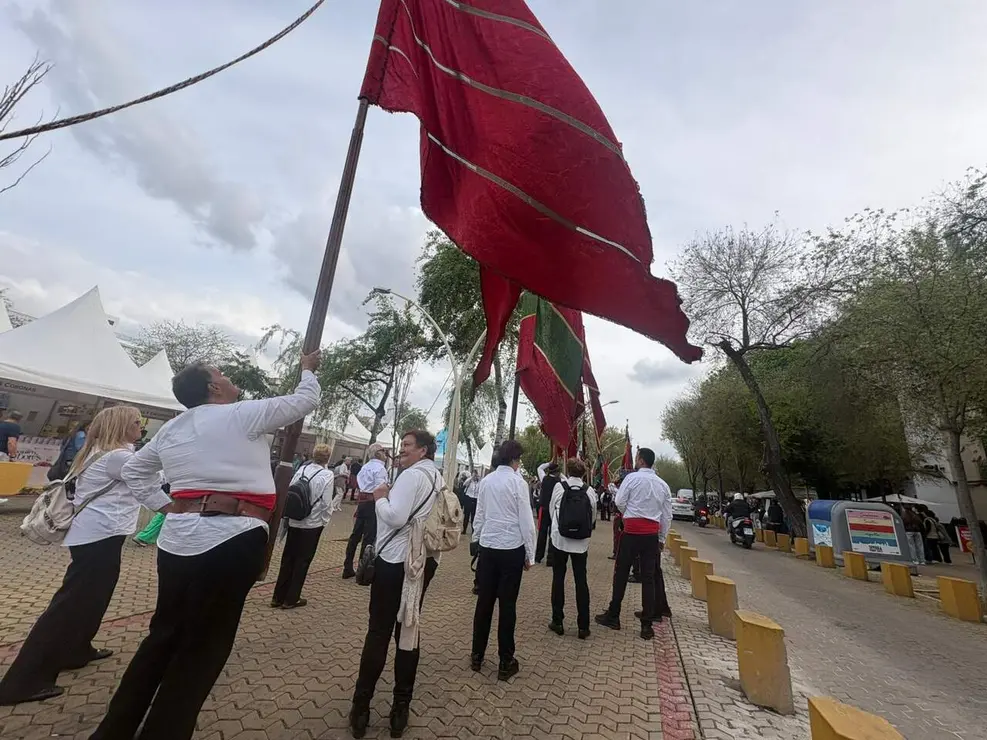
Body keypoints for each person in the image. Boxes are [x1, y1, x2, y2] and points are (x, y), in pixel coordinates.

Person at [88, 351, 320, 740]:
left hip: (178, 539)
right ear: (213, 387)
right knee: (204, 646)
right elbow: (305, 401)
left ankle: (114, 729)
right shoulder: (242, 413)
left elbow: (134, 471)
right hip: (232, 538)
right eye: (223, 374)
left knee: (163, 635)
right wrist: (308, 372)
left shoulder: (171, 429)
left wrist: (170, 505)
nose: (229, 378)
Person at [0, 406, 164, 706]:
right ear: (120, 426)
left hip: (97, 535)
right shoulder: (118, 457)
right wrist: (174, 508)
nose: (141, 427)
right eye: (136, 423)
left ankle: (77, 649)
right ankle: (20, 683)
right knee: (69, 606)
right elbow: (150, 481)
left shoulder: (101, 451)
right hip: (99, 536)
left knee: (93, 598)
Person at [350, 430, 441, 739]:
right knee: (408, 632)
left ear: (423, 451)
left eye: (407, 446)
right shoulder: (437, 478)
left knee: (378, 631)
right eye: (401, 444)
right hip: (422, 562)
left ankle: (361, 706)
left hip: (395, 562)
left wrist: (379, 498)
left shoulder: (411, 477)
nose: (401, 450)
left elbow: (396, 516)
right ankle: (400, 708)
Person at [470, 440, 536, 681]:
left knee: (484, 603)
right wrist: (530, 554)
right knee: (507, 606)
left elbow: (480, 514)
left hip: (488, 547)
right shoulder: (519, 484)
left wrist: (476, 539)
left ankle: (477, 655)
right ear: (515, 460)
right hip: (511, 548)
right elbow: (526, 522)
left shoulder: (486, 482)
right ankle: (505, 661)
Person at [595, 448, 672, 641]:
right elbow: (666, 516)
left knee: (621, 573)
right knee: (648, 578)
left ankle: (614, 615)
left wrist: (630, 513)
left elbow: (620, 501)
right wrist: (662, 538)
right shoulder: (663, 485)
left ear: (640, 460)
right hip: (651, 535)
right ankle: (647, 624)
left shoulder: (631, 479)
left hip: (631, 531)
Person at [272, 443, 339, 609]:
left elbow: (290, 490)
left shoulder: (302, 469)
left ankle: (277, 596)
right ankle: (291, 598)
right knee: (302, 561)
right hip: (312, 524)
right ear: (327, 458)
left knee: (288, 558)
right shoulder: (327, 475)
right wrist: (325, 520)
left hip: (294, 519)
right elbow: (325, 502)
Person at [548, 458, 597, 639]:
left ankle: (557, 620)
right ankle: (583, 626)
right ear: (583, 473)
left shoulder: (560, 487)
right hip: (581, 543)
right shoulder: (590, 491)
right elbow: (592, 517)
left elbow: (552, 510)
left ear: (568, 471)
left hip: (560, 540)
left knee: (558, 579)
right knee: (581, 581)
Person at [342, 444, 389, 579]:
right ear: (378, 453)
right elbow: (380, 488)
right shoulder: (380, 469)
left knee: (355, 535)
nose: (385, 454)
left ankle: (348, 566)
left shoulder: (366, 467)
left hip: (362, 502)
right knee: (369, 537)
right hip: (373, 503)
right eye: (383, 451)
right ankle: (362, 570)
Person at [535, 461, 561, 565]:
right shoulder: (559, 482)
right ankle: (550, 559)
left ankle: (538, 556)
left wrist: (549, 462)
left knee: (542, 533)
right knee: (552, 534)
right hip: (553, 510)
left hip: (544, 509)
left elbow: (540, 468)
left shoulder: (544, 478)